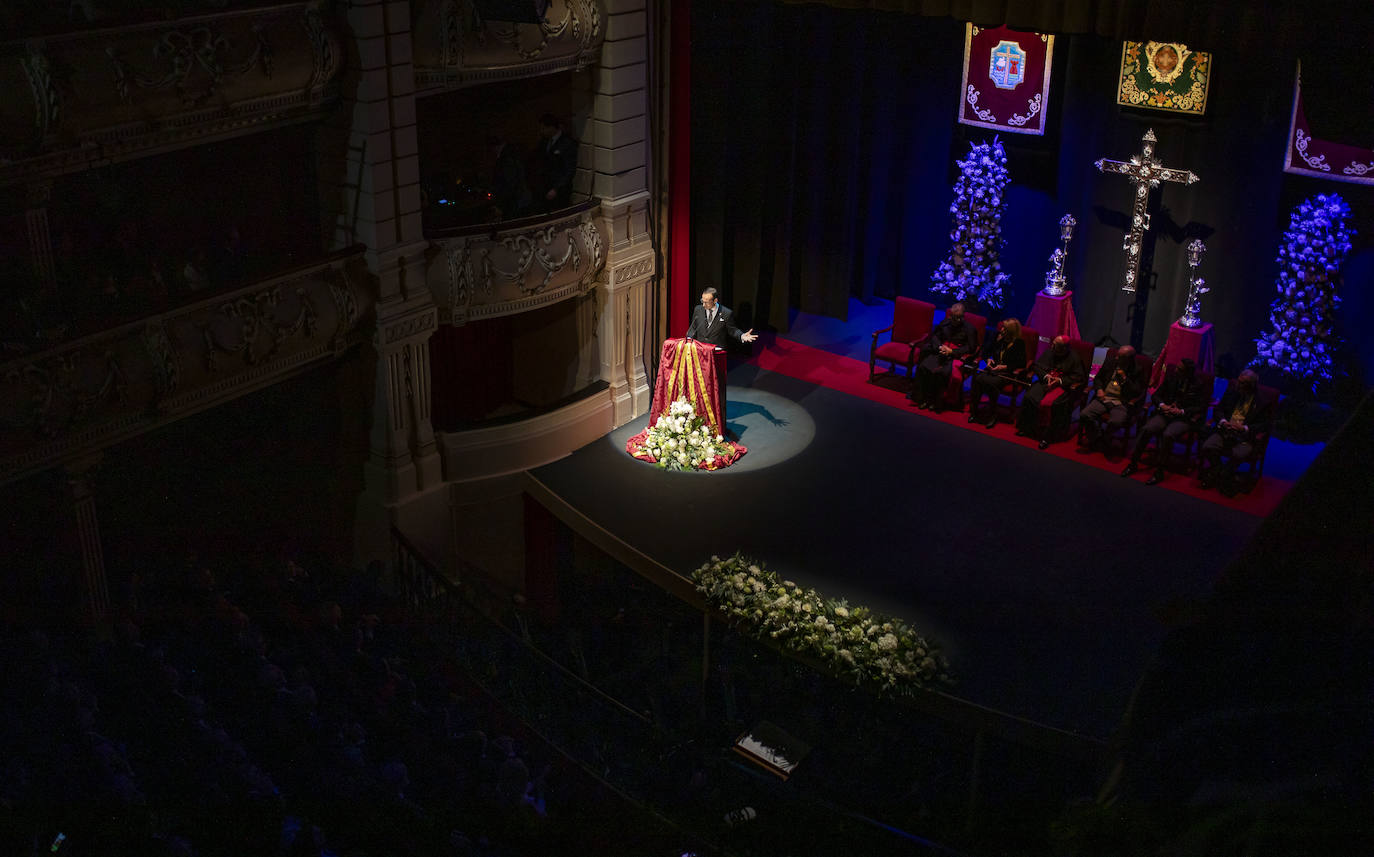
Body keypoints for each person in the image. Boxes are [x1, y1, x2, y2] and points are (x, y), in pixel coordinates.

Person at [1122, 357, 1207, 485]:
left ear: (1187, 372)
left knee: (1168, 435)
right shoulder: (1171, 378)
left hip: (1183, 418)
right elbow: (1156, 395)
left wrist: (1182, 411)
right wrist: (1162, 405)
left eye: (1180, 369)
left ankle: (1159, 471)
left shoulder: (1198, 385)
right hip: (1166, 413)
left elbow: (1201, 406)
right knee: (1147, 429)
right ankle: (1133, 463)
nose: (1176, 370)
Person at [1199, 369, 1272, 495]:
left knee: (1238, 454)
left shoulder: (1262, 401)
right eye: (1239, 381)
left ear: (1252, 385)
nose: (1238, 385)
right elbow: (1219, 409)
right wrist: (1222, 421)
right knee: (1207, 446)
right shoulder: (1232, 391)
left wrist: (1244, 428)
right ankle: (1221, 472)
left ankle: (1221, 475)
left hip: (1245, 437)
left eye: (1243, 383)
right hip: (1226, 431)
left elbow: (1265, 425)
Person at [1016, 335, 1086, 450]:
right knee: (1030, 397)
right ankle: (1027, 429)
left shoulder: (1074, 358)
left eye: (1055, 345)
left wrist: (1059, 380)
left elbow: (1078, 377)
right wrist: (1046, 376)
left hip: (1063, 387)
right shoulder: (1049, 352)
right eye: (1053, 344)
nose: (1051, 346)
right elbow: (1037, 366)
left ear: (1063, 349)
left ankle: (1048, 437)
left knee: (1054, 405)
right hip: (1045, 382)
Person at [908, 302, 975, 412]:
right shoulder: (945, 323)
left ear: (963, 316)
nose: (957, 321)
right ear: (951, 316)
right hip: (940, 352)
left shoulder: (969, 329)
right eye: (954, 318)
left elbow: (971, 347)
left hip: (955, 357)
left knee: (942, 373)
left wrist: (952, 351)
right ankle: (924, 399)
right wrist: (940, 347)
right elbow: (935, 337)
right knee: (924, 367)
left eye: (959, 318)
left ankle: (936, 401)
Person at [1079, 345, 1145, 451]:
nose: (1116, 358)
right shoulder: (1111, 362)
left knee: (1115, 422)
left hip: (1121, 402)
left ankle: (1105, 437)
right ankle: (1097, 438)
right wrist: (1099, 389)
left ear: (1129, 359)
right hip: (1104, 398)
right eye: (1117, 355)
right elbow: (1098, 379)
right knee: (1085, 414)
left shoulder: (1137, 370)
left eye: (1120, 357)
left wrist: (1124, 378)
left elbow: (1137, 391)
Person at [968, 317, 1027, 429]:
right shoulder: (997, 337)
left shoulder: (1019, 343)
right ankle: (974, 412)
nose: (1001, 330)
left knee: (991, 383)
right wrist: (988, 360)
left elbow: (1022, 363)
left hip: (1006, 372)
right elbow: (986, 352)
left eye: (1004, 328)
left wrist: (1004, 366)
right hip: (993, 369)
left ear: (1011, 332)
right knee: (978, 380)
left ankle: (992, 415)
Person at [536, 113, 578, 212]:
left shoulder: (567, 143)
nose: (542, 131)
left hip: (560, 190)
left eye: (543, 128)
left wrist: (556, 189)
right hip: (546, 186)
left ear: (551, 127)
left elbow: (569, 169)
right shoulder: (544, 142)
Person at [488, 135, 531, 221]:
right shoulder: (513, 154)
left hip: (514, 201)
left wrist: (501, 205)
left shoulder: (506, 159)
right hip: (519, 199)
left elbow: (509, 183)